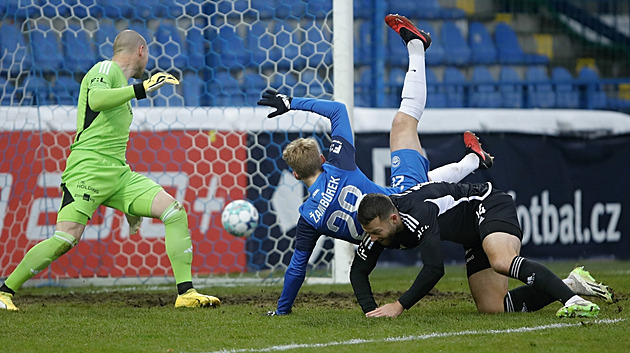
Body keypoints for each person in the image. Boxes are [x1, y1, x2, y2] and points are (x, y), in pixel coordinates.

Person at [256, 14, 494, 316]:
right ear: (321, 159)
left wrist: (282, 310)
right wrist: (291, 102)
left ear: (294, 174)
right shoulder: (338, 164)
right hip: (404, 207)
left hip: (389, 238)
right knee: (402, 123)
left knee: (430, 177)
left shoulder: (308, 217)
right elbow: (338, 111)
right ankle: (417, 48)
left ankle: (475, 159)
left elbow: (297, 267)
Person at [0, 30, 220, 311]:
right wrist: (143, 88)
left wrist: (130, 206)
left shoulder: (122, 91)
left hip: (118, 173)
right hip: (88, 170)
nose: (147, 61)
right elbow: (96, 101)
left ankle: (186, 293)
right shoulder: (105, 69)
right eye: (147, 54)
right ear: (141, 51)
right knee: (66, 239)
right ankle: (5, 292)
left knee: (173, 211)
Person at [351, 181, 612, 318]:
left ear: (393, 219)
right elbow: (358, 271)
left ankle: (573, 301)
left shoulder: (417, 214)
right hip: (472, 234)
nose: (372, 239)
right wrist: (371, 311)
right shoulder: (380, 225)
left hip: (488, 205)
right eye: (369, 233)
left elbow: (434, 269)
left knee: (501, 260)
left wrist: (399, 305)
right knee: (493, 307)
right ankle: (571, 284)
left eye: (376, 233)